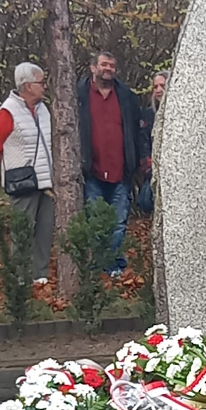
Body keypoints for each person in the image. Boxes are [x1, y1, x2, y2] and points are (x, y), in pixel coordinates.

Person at [77, 50, 151, 277]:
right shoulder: (78, 95)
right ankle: (98, 266)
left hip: (121, 171)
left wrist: (138, 162)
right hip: (92, 171)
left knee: (118, 223)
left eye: (112, 65)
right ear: (93, 68)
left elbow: (136, 132)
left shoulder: (126, 96)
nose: (108, 69)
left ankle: (114, 266)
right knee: (96, 222)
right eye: (103, 64)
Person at [0, 63, 55, 285]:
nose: (44, 86)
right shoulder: (7, 112)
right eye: (41, 82)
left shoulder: (44, 108)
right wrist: (14, 166)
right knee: (23, 231)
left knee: (45, 230)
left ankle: (40, 275)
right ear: (27, 86)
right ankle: (20, 278)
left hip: (47, 182)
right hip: (22, 183)